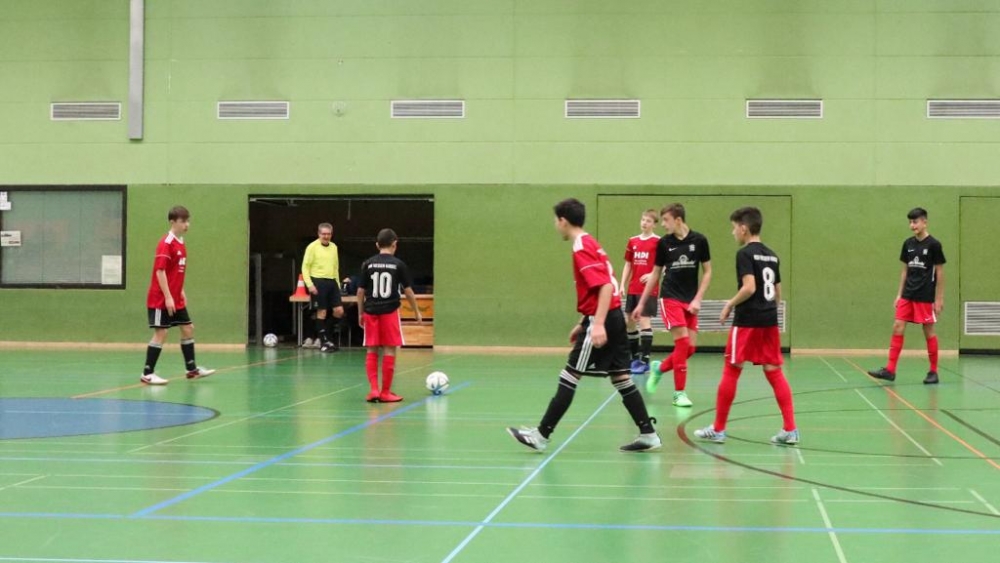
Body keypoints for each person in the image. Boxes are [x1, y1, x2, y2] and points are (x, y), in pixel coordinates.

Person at [507, 198, 661, 453]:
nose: (555, 225)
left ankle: (541, 435)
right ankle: (648, 434)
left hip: (604, 318)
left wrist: (596, 323)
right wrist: (583, 322)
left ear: (563, 221)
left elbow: (606, 286)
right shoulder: (591, 242)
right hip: (612, 317)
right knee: (621, 378)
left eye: (555, 220)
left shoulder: (581, 247)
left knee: (570, 374)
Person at [694, 206, 798, 444]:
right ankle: (790, 429)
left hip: (747, 321)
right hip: (769, 321)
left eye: (734, 228)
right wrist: (768, 312)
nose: (733, 233)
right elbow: (777, 293)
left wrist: (729, 304)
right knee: (774, 371)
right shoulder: (772, 255)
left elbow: (749, 287)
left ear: (743, 228)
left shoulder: (744, 254)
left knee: (732, 369)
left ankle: (718, 429)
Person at [632, 203, 712, 408]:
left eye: (666, 220)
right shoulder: (664, 243)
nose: (663, 224)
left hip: (690, 300)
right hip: (670, 298)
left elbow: (708, 272)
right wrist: (641, 303)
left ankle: (659, 369)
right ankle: (679, 393)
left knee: (690, 349)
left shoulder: (700, 240)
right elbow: (655, 274)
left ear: (678, 220)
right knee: (682, 344)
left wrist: (698, 299)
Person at [868, 208, 946, 384]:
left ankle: (933, 372)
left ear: (924, 222)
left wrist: (939, 298)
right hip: (907, 294)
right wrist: (899, 294)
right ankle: (890, 370)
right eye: (910, 222)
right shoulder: (908, 244)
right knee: (897, 326)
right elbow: (905, 271)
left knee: (928, 331)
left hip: (925, 296)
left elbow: (940, 272)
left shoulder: (934, 245)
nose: (912, 225)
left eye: (915, 222)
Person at [140, 206, 215, 385]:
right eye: (183, 221)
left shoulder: (181, 243)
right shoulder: (166, 243)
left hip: (175, 297)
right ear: (172, 222)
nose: (186, 225)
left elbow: (175, 272)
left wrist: (180, 291)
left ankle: (191, 370)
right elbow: (160, 271)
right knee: (161, 333)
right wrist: (168, 297)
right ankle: (147, 373)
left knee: (188, 328)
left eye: (188, 221)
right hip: (160, 298)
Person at [357, 229, 422, 402]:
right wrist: (416, 311)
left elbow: (360, 291)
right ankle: (385, 392)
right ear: (395, 244)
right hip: (390, 311)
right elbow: (408, 291)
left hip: (371, 311)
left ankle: (374, 390)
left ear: (377, 245)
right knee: (389, 349)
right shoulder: (398, 264)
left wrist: (360, 312)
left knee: (371, 349)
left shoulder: (368, 264)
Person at [620, 209, 661, 375]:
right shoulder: (633, 241)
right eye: (643, 220)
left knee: (644, 321)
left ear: (654, 224)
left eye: (648, 221)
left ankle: (645, 360)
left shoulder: (658, 242)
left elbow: (664, 264)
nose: (644, 223)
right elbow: (628, 264)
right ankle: (634, 357)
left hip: (648, 290)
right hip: (633, 288)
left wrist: (652, 275)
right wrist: (622, 284)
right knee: (629, 321)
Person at [302, 222, 344, 352]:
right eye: (323, 234)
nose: (326, 236)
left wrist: (337, 284)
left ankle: (326, 334)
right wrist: (310, 285)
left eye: (328, 234)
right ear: (319, 234)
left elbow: (335, 267)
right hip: (318, 281)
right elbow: (305, 267)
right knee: (322, 312)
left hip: (332, 281)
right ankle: (324, 342)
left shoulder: (334, 247)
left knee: (339, 311)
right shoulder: (312, 247)